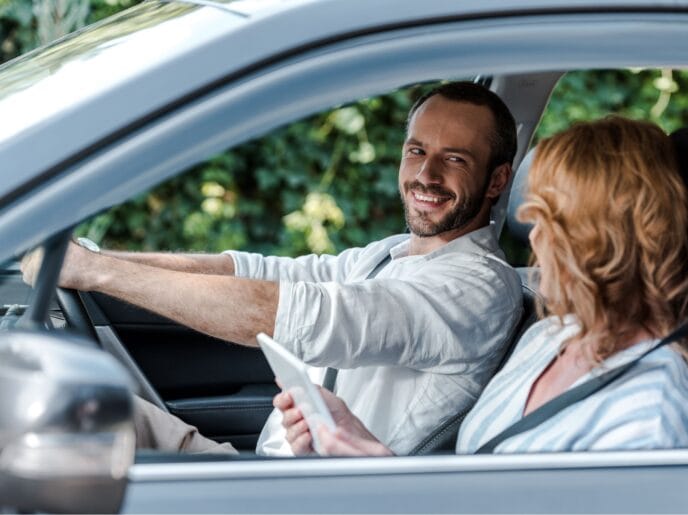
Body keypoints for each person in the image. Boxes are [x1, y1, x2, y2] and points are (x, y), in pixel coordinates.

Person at [21, 81, 524, 456]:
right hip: (266, 474)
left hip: (306, 500)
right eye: (417, 151)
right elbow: (260, 272)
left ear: (498, 180)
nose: (426, 174)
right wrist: (97, 260)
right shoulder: (395, 253)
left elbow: (293, 313)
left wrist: (95, 274)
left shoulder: (477, 287)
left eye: (454, 160)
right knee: (62, 402)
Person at [277, 116, 688, 456]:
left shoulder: (648, 408)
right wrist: (359, 443)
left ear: (607, 235)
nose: (535, 239)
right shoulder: (553, 336)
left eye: (551, 221)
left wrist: (377, 472)